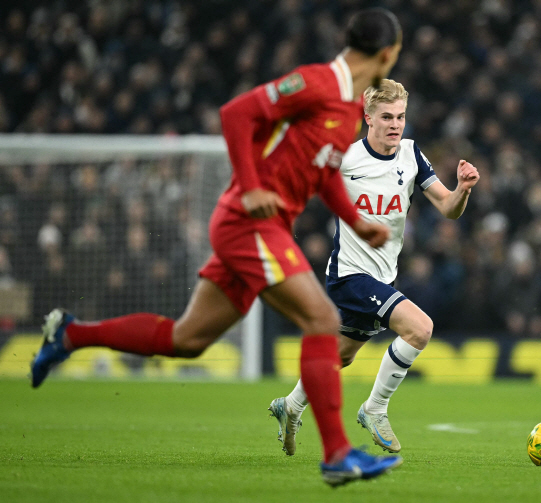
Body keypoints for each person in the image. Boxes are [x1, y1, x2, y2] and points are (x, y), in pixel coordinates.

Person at [30, 8, 403, 487]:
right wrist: (249, 186)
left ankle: (69, 335)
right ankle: (337, 455)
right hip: (247, 221)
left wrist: (357, 221)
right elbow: (236, 114)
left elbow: (325, 173)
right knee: (323, 320)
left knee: (187, 340)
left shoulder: (350, 108)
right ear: (389, 53)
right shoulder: (316, 83)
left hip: (263, 228)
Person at [269, 79, 479, 454]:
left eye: (400, 116)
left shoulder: (412, 155)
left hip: (383, 276)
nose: (395, 124)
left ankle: (291, 406)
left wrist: (462, 189)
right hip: (350, 275)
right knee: (420, 329)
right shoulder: (346, 160)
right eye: (386, 117)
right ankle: (374, 409)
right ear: (368, 118)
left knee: (342, 356)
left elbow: (448, 210)